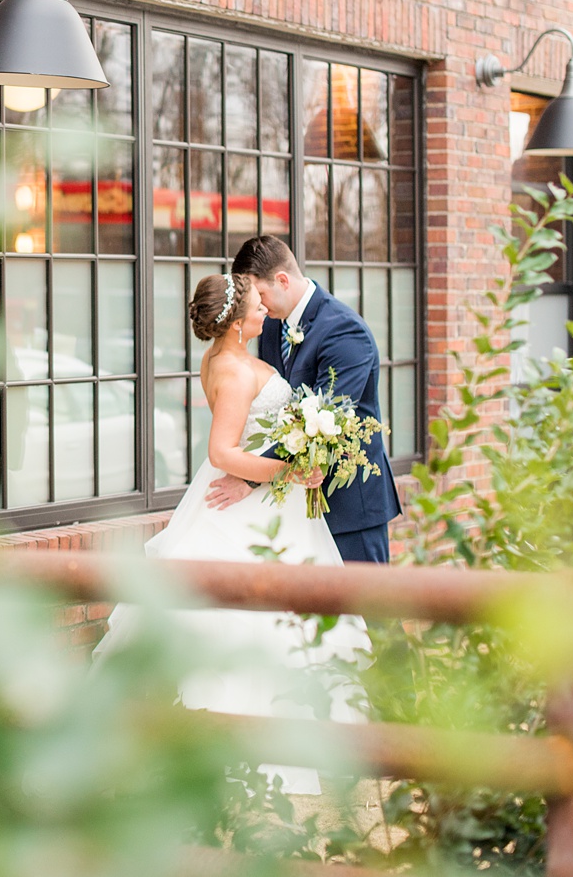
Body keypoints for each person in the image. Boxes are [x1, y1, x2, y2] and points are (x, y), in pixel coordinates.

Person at [95, 271, 368, 794]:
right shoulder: (236, 372)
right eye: (257, 305)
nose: (265, 308)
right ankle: (244, 747)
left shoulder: (226, 359)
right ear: (238, 321)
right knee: (255, 619)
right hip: (247, 504)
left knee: (282, 614)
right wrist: (291, 469)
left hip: (262, 501)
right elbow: (222, 453)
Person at [204, 235, 401, 564]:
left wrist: (250, 478)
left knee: (369, 612)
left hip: (348, 507)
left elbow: (323, 423)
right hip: (291, 505)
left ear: (282, 280)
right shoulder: (269, 328)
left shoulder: (344, 331)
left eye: (261, 295)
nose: (261, 307)